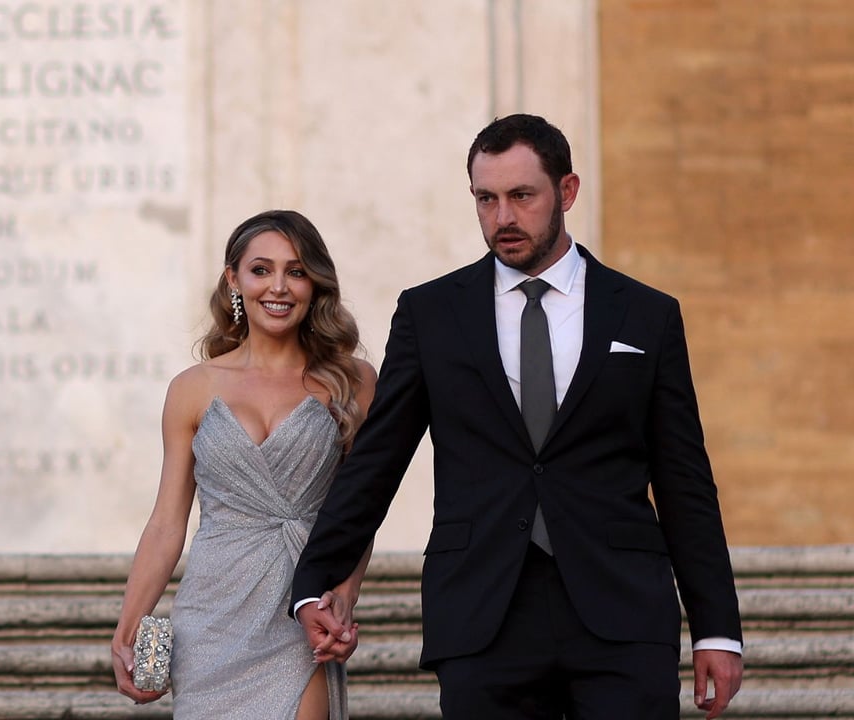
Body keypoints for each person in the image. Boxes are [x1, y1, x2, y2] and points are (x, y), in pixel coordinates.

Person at [291, 114, 744, 719]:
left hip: (621, 609)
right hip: (482, 610)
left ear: (568, 191)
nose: (502, 218)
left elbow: (684, 478)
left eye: (521, 196)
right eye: (485, 199)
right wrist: (312, 581)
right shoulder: (429, 314)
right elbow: (378, 459)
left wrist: (716, 628)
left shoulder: (646, 314)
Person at [112, 209, 378, 719]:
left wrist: (344, 595)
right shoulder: (192, 389)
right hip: (210, 619)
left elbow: (361, 508)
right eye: (261, 270)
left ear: (314, 283)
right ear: (233, 278)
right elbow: (167, 523)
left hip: (301, 615)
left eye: (296, 271)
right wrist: (128, 627)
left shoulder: (354, 381)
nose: (278, 287)